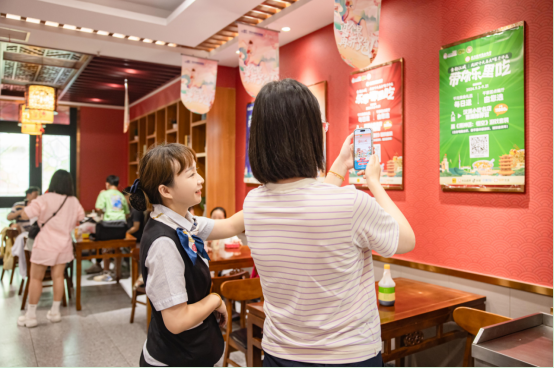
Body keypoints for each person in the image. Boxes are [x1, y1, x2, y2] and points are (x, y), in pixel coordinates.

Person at [245, 79, 416, 367]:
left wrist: (339, 165)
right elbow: (406, 239)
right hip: (347, 356)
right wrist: (373, 182)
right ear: (309, 135)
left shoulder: (252, 204)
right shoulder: (349, 204)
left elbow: (308, 205)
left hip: (279, 354)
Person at [127, 143, 245, 366]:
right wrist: (214, 299)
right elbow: (176, 320)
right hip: (174, 359)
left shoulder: (182, 221)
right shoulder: (164, 242)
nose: (200, 179)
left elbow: (230, 226)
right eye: (191, 174)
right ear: (166, 190)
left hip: (194, 352)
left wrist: (271, 194)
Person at [17, 170, 85, 328]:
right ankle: (55, 313)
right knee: (58, 277)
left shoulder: (44, 198)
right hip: (64, 245)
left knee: (35, 278)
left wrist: (23, 208)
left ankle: (31, 315)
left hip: (45, 245)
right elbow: (81, 218)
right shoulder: (73, 200)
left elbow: (26, 214)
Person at [87, 175, 130, 279]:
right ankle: (118, 273)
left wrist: (105, 212)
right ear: (118, 184)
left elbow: (98, 208)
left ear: (107, 184)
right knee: (118, 248)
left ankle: (106, 272)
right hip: (121, 226)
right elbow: (127, 213)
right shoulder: (121, 195)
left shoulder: (104, 194)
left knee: (106, 247)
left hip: (108, 225)